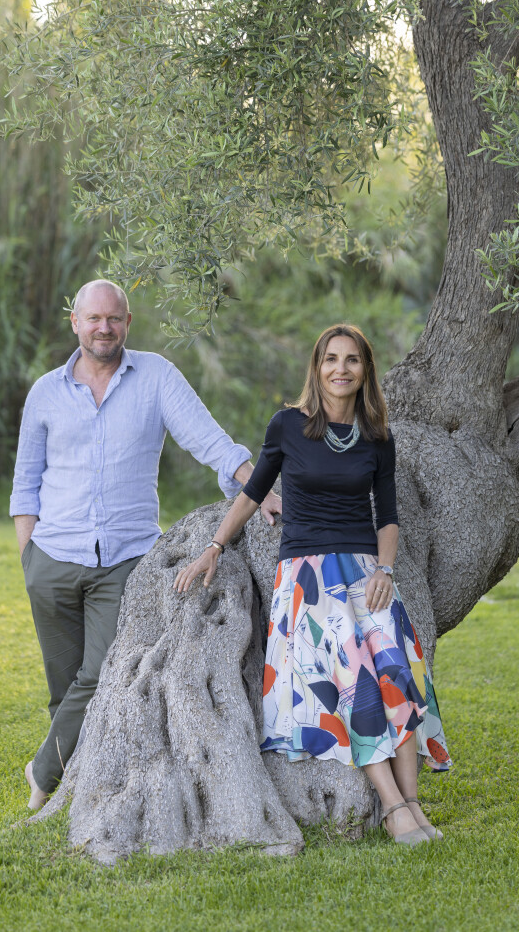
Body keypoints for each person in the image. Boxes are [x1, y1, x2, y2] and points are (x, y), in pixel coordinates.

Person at [175, 323, 451, 846]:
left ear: (365, 370)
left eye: (352, 360)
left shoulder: (377, 437)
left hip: (366, 572)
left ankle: (415, 804)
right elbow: (253, 492)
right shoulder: (287, 426)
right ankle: (393, 809)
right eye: (331, 359)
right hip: (307, 577)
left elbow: (388, 518)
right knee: (357, 683)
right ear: (317, 367)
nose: (341, 369)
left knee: (400, 672)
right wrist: (214, 546)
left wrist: (385, 573)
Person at [11, 278, 281, 810]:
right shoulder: (45, 392)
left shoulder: (155, 376)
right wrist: (29, 558)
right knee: (63, 687)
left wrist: (256, 485)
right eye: (94, 319)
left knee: (98, 675)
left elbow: (207, 438)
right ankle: (77, 780)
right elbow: (25, 482)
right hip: (52, 559)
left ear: (127, 323)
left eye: (114, 318)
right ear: (76, 323)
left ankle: (41, 775)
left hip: (126, 560)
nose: (104, 328)